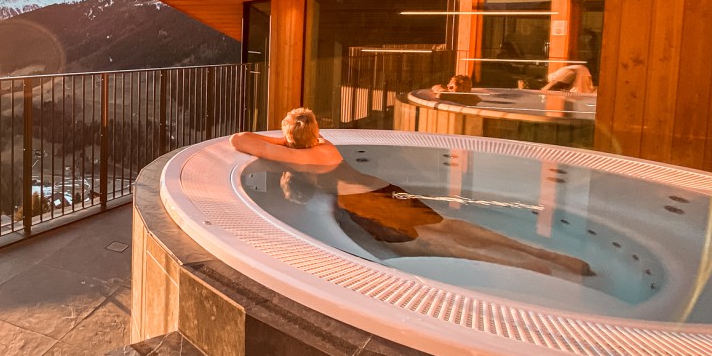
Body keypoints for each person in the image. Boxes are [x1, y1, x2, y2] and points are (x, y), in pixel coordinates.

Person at [230, 108, 593, 280]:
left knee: (439, 246)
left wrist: (284, 140)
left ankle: (530, 268)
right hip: (386, 190)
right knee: (449, 226)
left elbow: (241, 141)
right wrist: (294, 137)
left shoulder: (302, 155)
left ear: (291, 137)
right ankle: (542, 253)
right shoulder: (325, 146)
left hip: (368, 205)